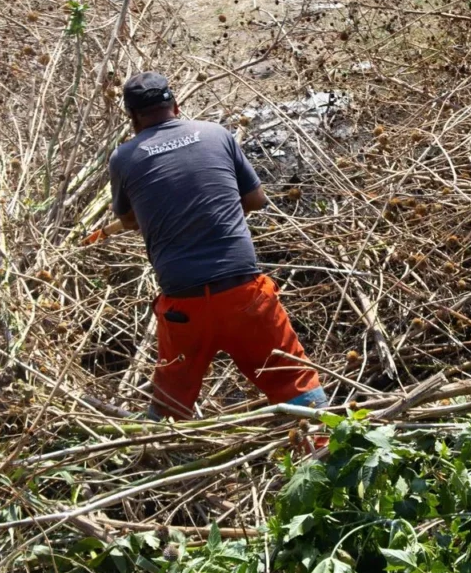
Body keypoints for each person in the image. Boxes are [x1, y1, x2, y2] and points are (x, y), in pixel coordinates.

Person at [108, 71, 328, 420]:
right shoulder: (216, 134)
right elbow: (256, 199)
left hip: (184, 305)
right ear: (176, 105)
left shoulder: (124, 158)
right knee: (294, 383)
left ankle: (159, 462)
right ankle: (329, 453)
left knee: (170, 403)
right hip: (244, 293)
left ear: (133, 118)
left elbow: (132, 220)